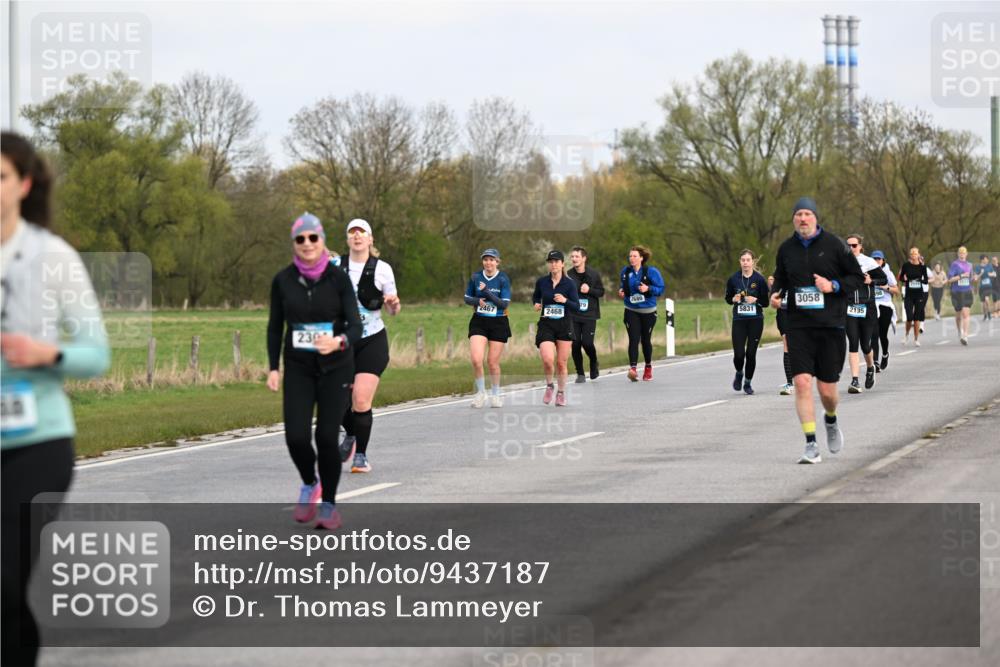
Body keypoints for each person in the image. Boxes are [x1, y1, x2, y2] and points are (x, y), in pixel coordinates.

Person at [2, 132, 110, 667]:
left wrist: (47, 353)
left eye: (0, 177)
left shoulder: (53, 256)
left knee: (4, 579)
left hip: (37, 440)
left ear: (23, 184)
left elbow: (96, 353)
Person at [267, 213, 362, 530]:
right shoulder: (282, 280)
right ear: (294, 244)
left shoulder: (338, 279)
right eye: (300, 239)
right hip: (298, 367)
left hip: (336, 368)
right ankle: (310, 482)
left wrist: (338, 342)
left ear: (322, 241)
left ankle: (329, 505)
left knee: (325, 436)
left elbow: (355, 325)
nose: (307, 244)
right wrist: (272, 368)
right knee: (295, 436)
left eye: (313, 238)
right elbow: (274, 327)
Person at [769, 197, 864, 464]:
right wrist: (775, 295)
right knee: (801, 383)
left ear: (815, 218)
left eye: (807, 214)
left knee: (827, 392)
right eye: (798, 214)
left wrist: (832, 286)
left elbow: (856, 278)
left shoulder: (835, 246)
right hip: (798, 325)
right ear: (793, 219)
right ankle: (811, 444)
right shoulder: (786, 249)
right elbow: (780, 280)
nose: (802, 219)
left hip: (830, 325)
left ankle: (831, 420)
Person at [334, 219, 400, 474]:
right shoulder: (334, 266)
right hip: (342, 341)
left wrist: (393, 303)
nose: (357, 236)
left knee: (360, 400)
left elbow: (393, 309)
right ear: (348, 240)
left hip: (372, 340)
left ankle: (360, 455)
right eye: (352, 232)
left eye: (362, 232)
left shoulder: (383, 269)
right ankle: (350, 433)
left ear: (370, 240)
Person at [464, 248, 511, 407]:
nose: (488, 262)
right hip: (479, 321)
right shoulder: (476, 277)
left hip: (498, 322)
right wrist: (477, 301)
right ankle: (481, 393)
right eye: (485, 259)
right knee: (476, 359)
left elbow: (504, 303)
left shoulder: (503, 279)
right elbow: (467, 298)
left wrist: (487, 293)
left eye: (492, 260)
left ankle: (496, 394)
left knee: (492, 362)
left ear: (497, 262)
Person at [532, 250, 579, 406]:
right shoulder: (542, 282)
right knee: (547, 359)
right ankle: (550, 385)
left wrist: (565, 300)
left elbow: (576, 306)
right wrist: (536, 303)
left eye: (556, 261)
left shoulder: (570, 283)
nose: (553, 264)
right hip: (546, 324)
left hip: (564, 325)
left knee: (561, 363)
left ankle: (561, 392)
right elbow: (536, 296)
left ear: (562, 264)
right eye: (551, 262)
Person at [844, 233, 886, 393]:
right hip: (850, 307)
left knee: (865, 344)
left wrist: (871, 281)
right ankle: (855, 381)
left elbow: (883, 280)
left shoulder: (868, 262)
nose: (851, 248)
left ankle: (870, 368)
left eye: (854, 245)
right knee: (853, 343)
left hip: (867, 307)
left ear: (860, 246)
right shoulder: (842, 263)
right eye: (848, 245)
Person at [724, 250, 769, 395]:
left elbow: (766, 302)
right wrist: (733, 299)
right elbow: (728, 298)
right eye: (743, 260)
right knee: (739, 354)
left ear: (752, 262)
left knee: (750, 353)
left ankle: (748, 383)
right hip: (739, 320)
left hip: (755, 320)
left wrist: (756, 300)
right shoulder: (733, 279)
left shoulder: (760, 280)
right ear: (740, 262)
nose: (745, 263)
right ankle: (739, 372)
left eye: (748, 260)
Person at [618, 246, 665, 381]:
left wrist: (648, 288)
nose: (631, 258)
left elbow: (660, 289)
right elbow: (624, 286)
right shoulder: (625, 272)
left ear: (641, 258)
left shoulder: (651, 272)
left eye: (634, 256)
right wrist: (622, 291)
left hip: (648, 311)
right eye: (630, 256)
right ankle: (632, 369)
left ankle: (648, 367)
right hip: (631, 310)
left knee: (645, 340)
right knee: (633, 338)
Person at [567, 246, 605, 383]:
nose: (574, 259)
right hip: (573, 314)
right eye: (572, 257)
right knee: (575, 344)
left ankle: (594, 363)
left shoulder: (594, 274)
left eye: (577, 256)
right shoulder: (568, 275)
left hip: (590, 314)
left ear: (584, 258)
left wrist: (589, 290)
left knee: (587, 343)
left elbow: (601, 292)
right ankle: (580, 373)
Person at [869, 251, 899, 372]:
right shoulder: (867, 272)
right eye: (874, 259)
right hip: (872, 305)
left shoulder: (888, 272)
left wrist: (884, 287)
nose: (876, 261)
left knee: (882, 334)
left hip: (885, 305)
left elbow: (896, 290)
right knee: (873, 334)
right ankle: (875, 361)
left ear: (883, 261)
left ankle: (885, 354)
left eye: (879, 259)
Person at [767, 275, 794, 395]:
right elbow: (774, 290)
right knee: (786, 341)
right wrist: (773, 286)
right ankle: (790, 382)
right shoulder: (781, 271)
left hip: (799, 311)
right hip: (783, 311)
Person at [897, 248, 928, 346]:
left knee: (916, 317)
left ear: (919, 255)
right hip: (909, 294)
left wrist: (919, 281)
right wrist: (905, 280)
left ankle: (916, 339)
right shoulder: (906, 266)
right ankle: (906, 335)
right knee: (909, 317)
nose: (914, 255)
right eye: (912, 254)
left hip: (919, 294)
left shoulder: (922, 267)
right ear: (910, 255)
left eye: (916, 254)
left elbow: (926, 280)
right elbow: (901, 277)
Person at [947, 246, 974, 345]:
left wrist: (974, 278)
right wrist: (961, 276)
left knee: (965, 313)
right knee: (958, 315)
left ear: (967, 254)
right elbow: (949, 279)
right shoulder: (955, 264)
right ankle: (960, 331)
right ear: (958, 254)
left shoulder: (970, 265)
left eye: (964, 253)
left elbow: (970, 278)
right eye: (960, 253)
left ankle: (965, 335)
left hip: (967, 291)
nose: (962, 255)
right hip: (957, 292)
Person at [973, 254, 996, 321]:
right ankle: (985, 314)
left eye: (987, 259)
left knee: (987, 299)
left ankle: (988, 313)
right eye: (986, 259)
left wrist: (990, 274)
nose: (987, 260)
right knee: (983, 303)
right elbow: (975, 278)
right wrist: (981, 273)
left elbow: (994, 274)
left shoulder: (989, 266)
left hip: (988, 286)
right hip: (982, 287)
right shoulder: (978, 267)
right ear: (982, 260)